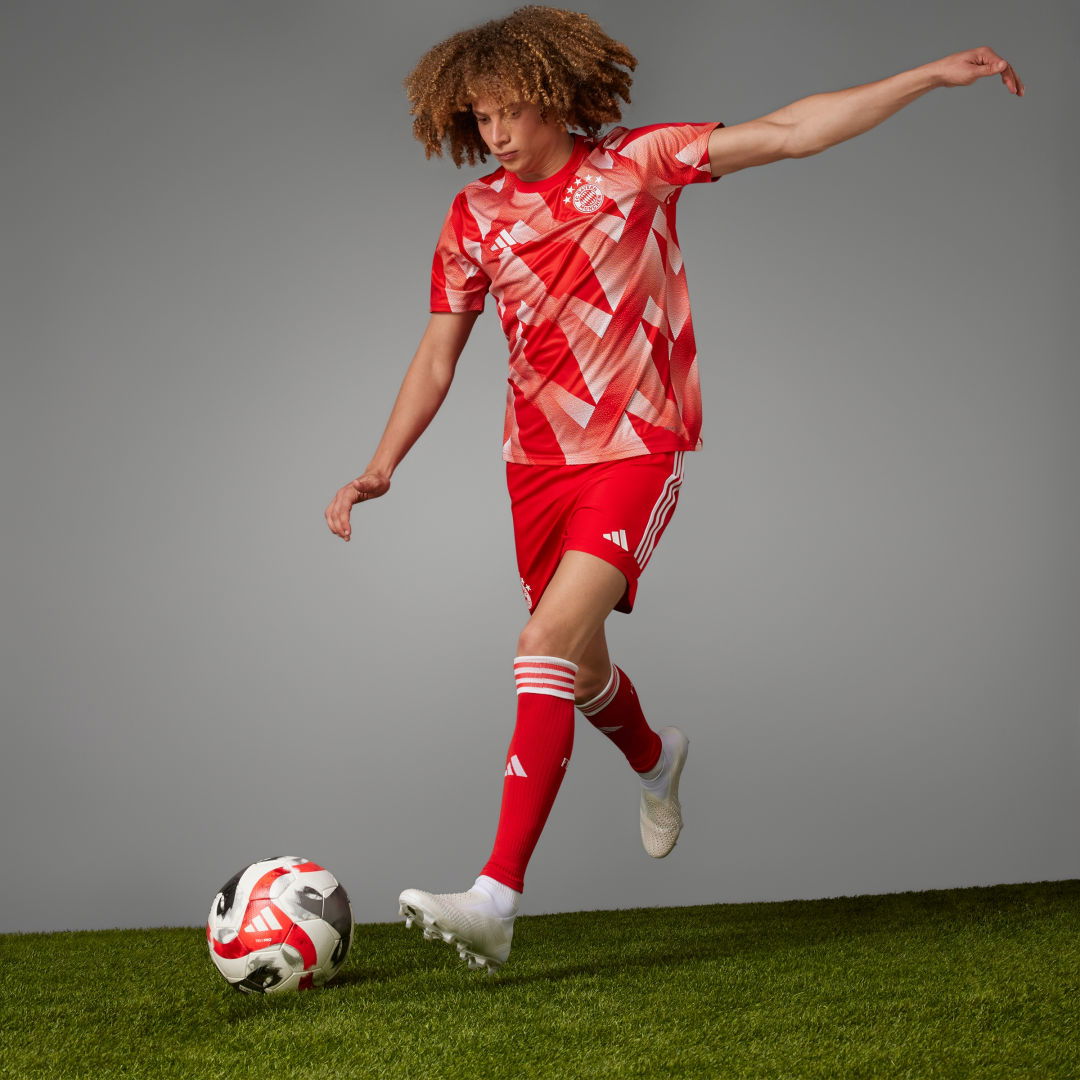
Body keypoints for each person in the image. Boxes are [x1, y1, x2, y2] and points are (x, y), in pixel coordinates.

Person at [325, 5, 1024, 973]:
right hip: (533, 468)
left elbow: (789, 131)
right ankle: (656, 757)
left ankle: (495, 895)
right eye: (479, 118)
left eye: (509, 111)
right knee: (579, 664)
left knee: (539, 645)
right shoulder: (472, 216)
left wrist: (921, 77)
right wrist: (382, 460)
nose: (494, 133)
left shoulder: (637, 163)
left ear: (557, 97)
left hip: (634, 451)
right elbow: (438, 355)